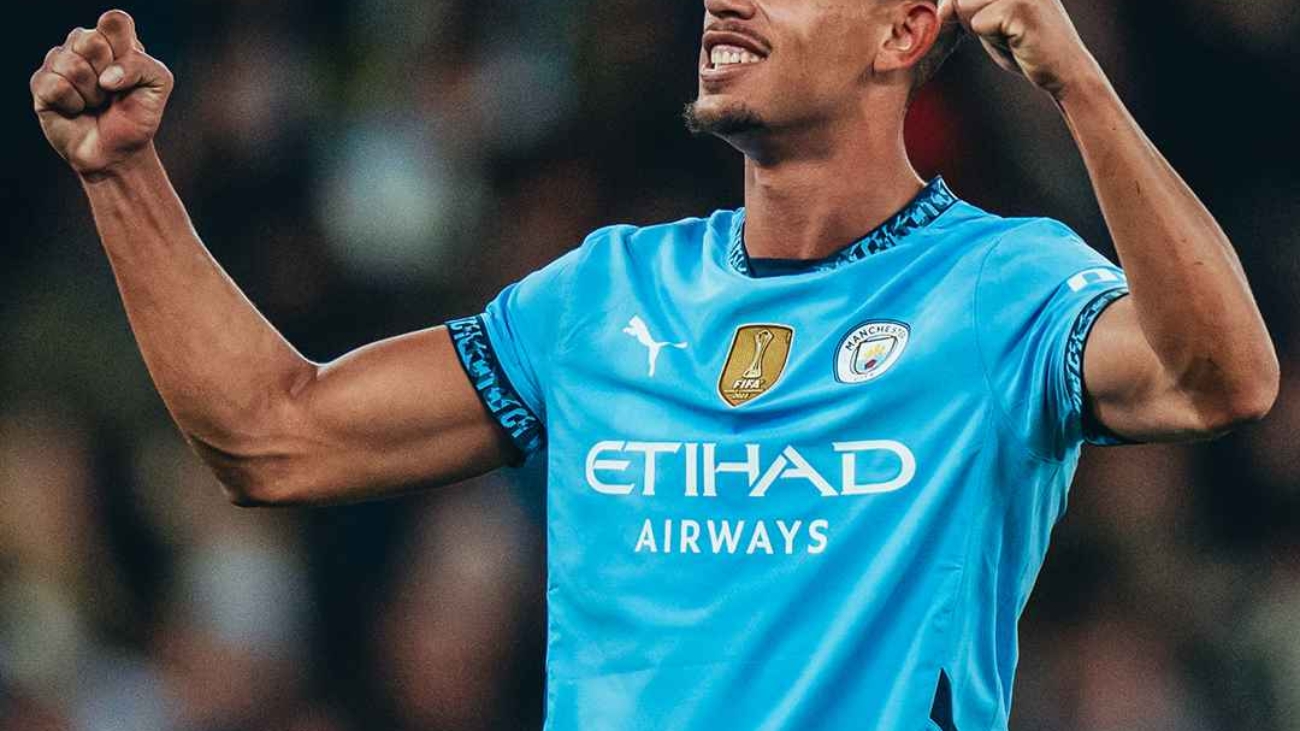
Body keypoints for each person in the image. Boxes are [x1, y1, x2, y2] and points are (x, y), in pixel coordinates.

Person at [30, 1, 1277, 729]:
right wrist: (121, 174)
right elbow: (275, 434)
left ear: (905, 26)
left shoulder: (1001, 286)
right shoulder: (600, 295)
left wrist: (1074, 81)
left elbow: (1219, 375)